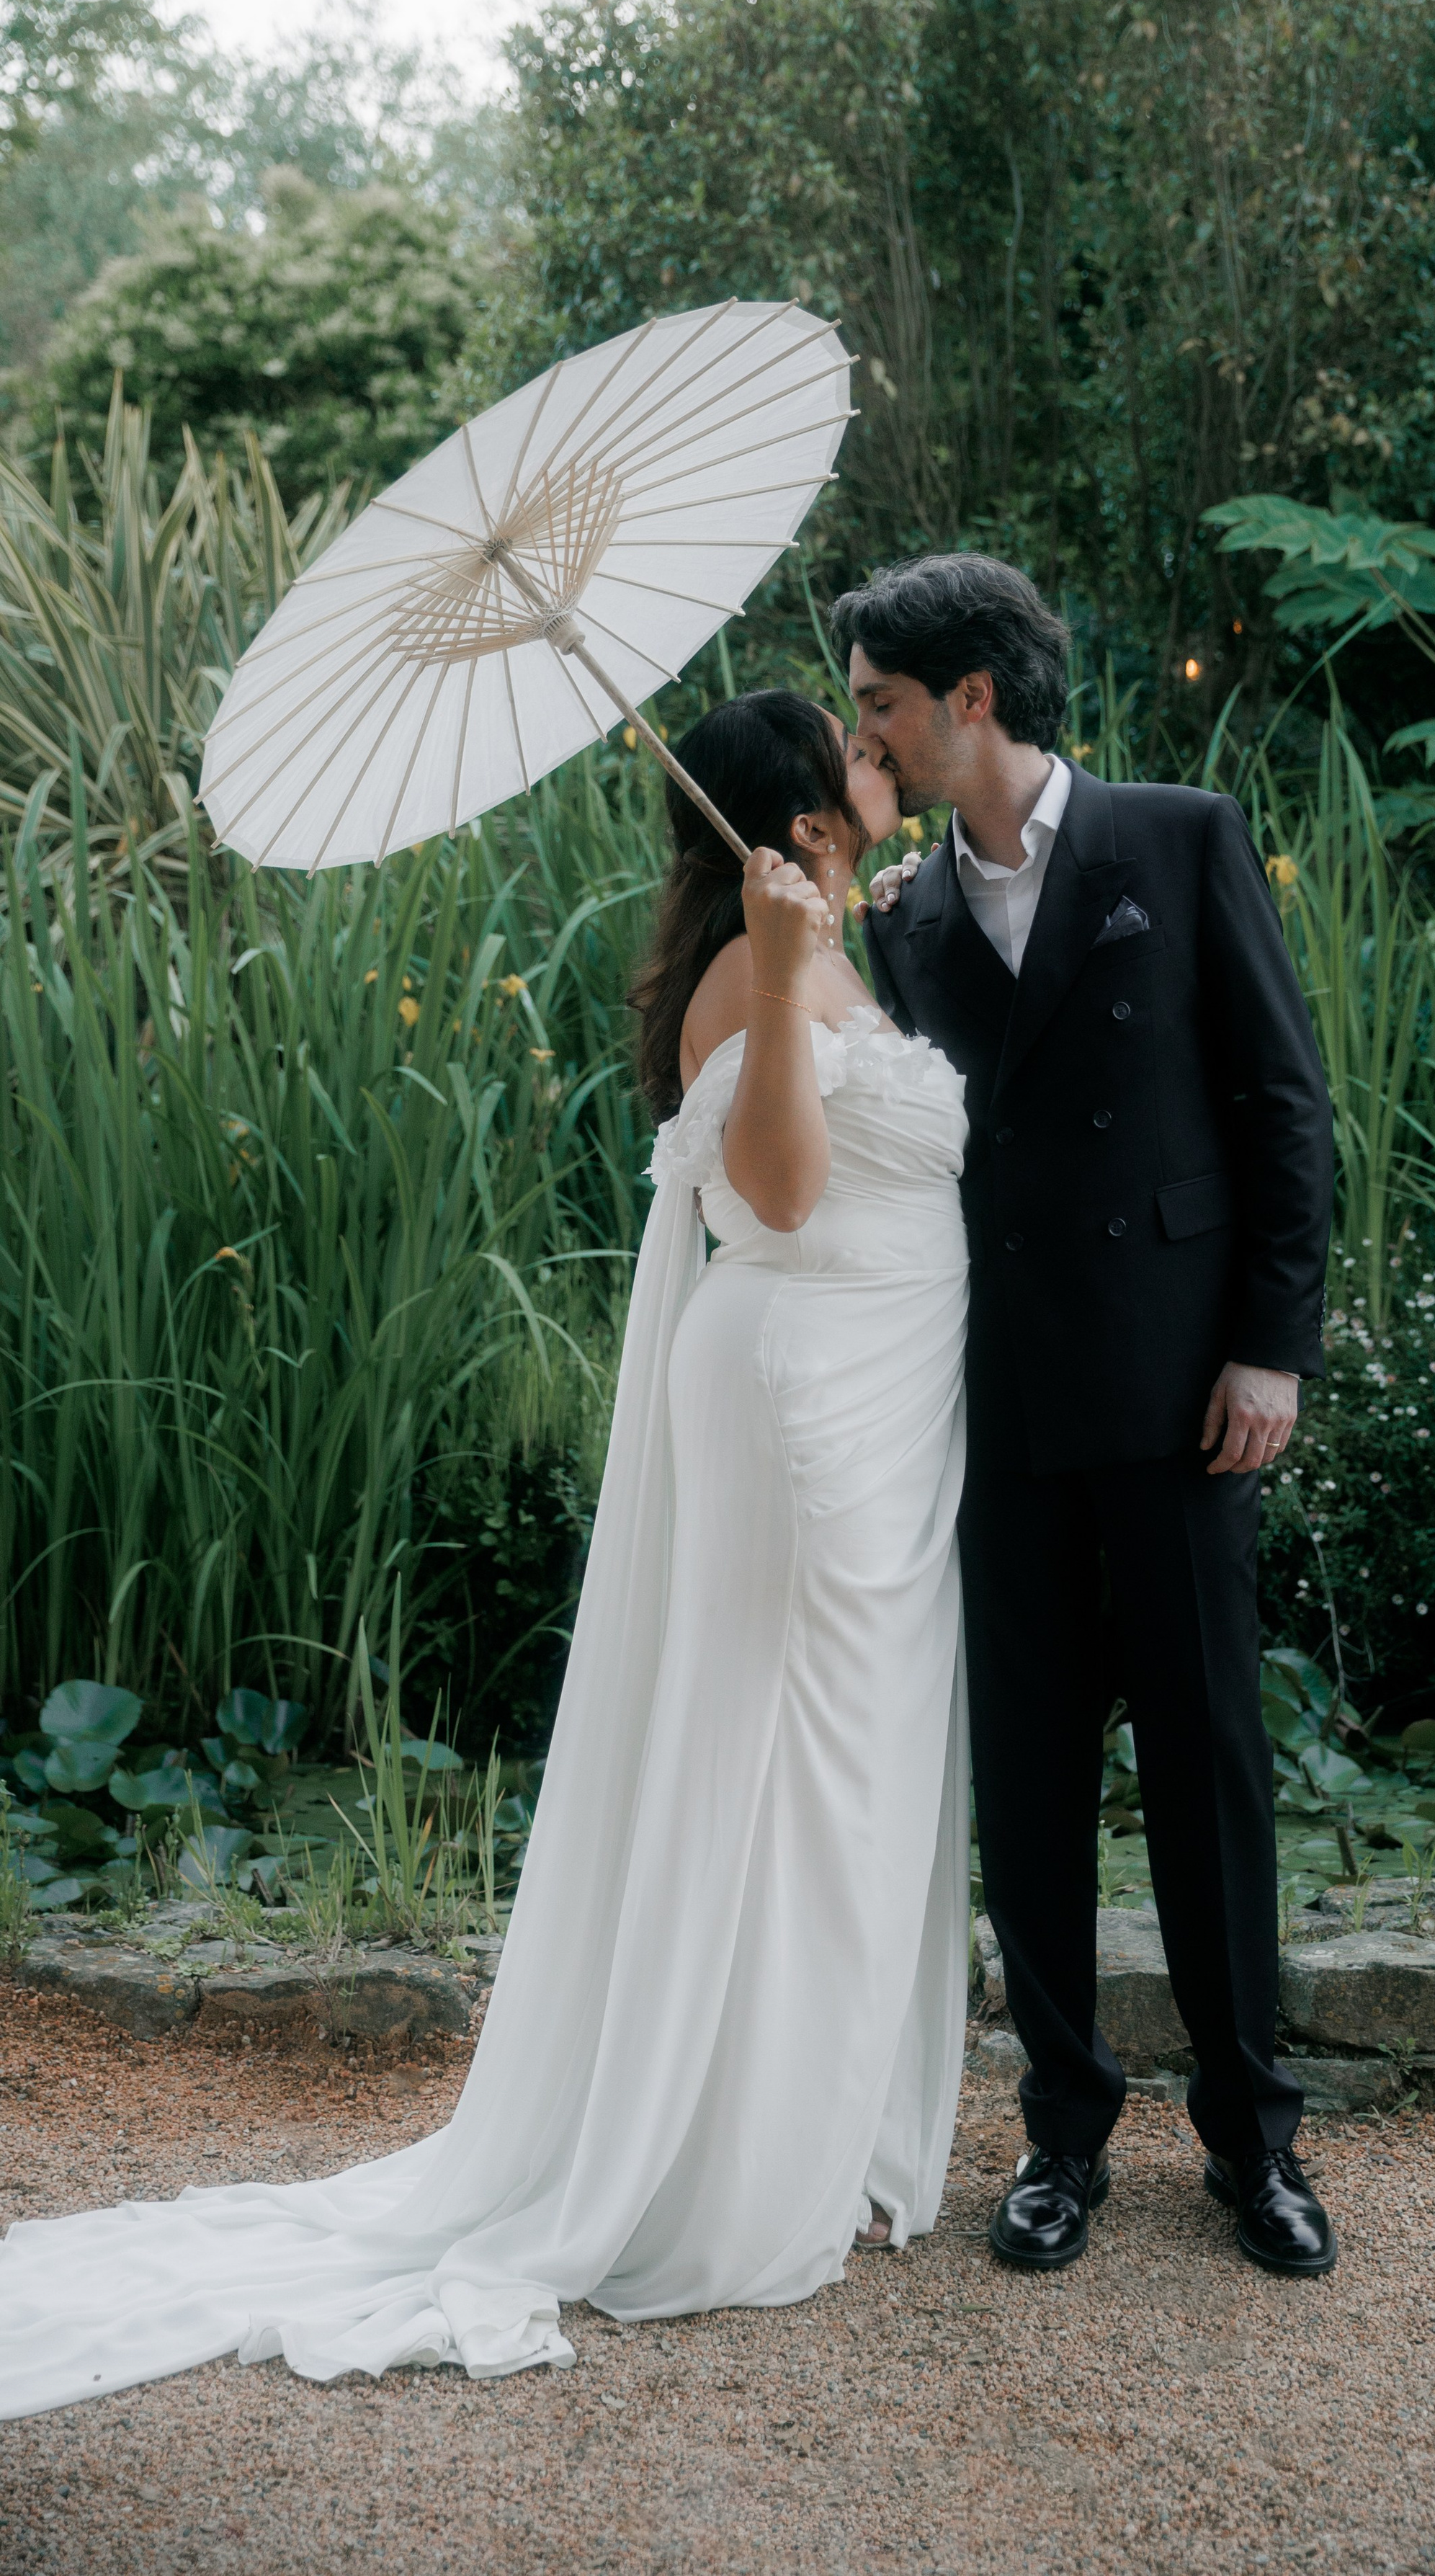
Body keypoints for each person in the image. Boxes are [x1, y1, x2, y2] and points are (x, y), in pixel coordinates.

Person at [0, 692, 974, 2417]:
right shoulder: (751, 977)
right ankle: (721, 2172)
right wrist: (769, 964)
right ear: (808, 815)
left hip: (878, 1413)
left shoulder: (820, 943)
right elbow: (786, 1194)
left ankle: (793, 2130)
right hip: (809, 1421)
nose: (881, 766)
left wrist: (799, 954)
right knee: (784, 1767)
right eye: (860, 752)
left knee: (842, 1771)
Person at [840, 555, 1341, 2280]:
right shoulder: (901, 921)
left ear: (968, 696)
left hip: (1185, 1398)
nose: (867, 732)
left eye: (880, 702)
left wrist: (1270, 1348)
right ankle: (1063, 2138)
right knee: (1030, 1788)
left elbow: (1283, 1107)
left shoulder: (1177, 836)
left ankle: (1252, 2143)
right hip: (996, 1413)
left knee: (1208, 1775)